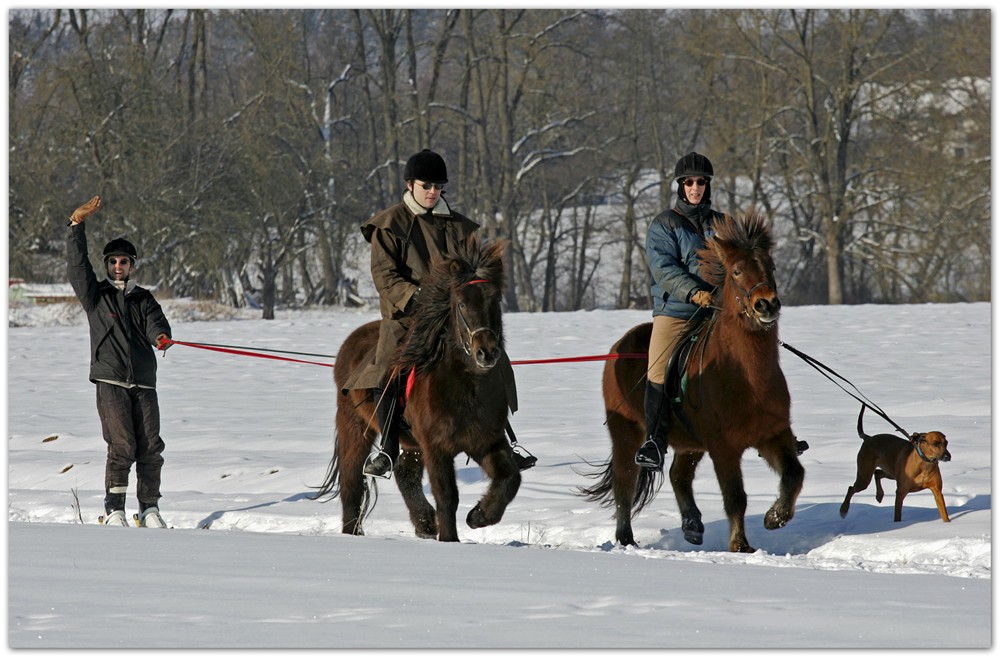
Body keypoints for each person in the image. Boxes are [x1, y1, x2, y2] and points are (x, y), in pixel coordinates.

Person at [343, 149, 534, 478]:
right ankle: (388, 449)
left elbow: (479, 267)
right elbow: (386, 278)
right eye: (426, 185)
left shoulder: (460, 226)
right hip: (407, 317)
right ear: (410, 184)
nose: (433, 192)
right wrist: (420, 297)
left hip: (456, 317)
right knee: (389, 366)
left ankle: (503, 440)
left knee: (492, 356)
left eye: (438, 186)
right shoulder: (389, 225)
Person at [66, 195, 173, 527]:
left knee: (151, 446)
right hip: (111, 381)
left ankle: (150, 507)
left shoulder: (144, 298)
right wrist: (75, 225)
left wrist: (161, 338)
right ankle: (115, 509)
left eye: (123, 262)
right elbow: (76, 266)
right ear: (107, 264)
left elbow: (157, 324)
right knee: (122, 445)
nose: (117, 267)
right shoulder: (96, 296)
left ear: (132, 265)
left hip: (143, 383)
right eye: (112, 262)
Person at [636, 152, 725, 470]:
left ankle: (769, 430)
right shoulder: (664, 224)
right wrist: (695, 292)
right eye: (689, 182)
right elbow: (663, 269)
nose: (695, 188)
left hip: (720, 309)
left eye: (701, 182)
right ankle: (655, 443)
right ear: (680, 186)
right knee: (658, 369)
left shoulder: (722, 224)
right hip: (676, 311)